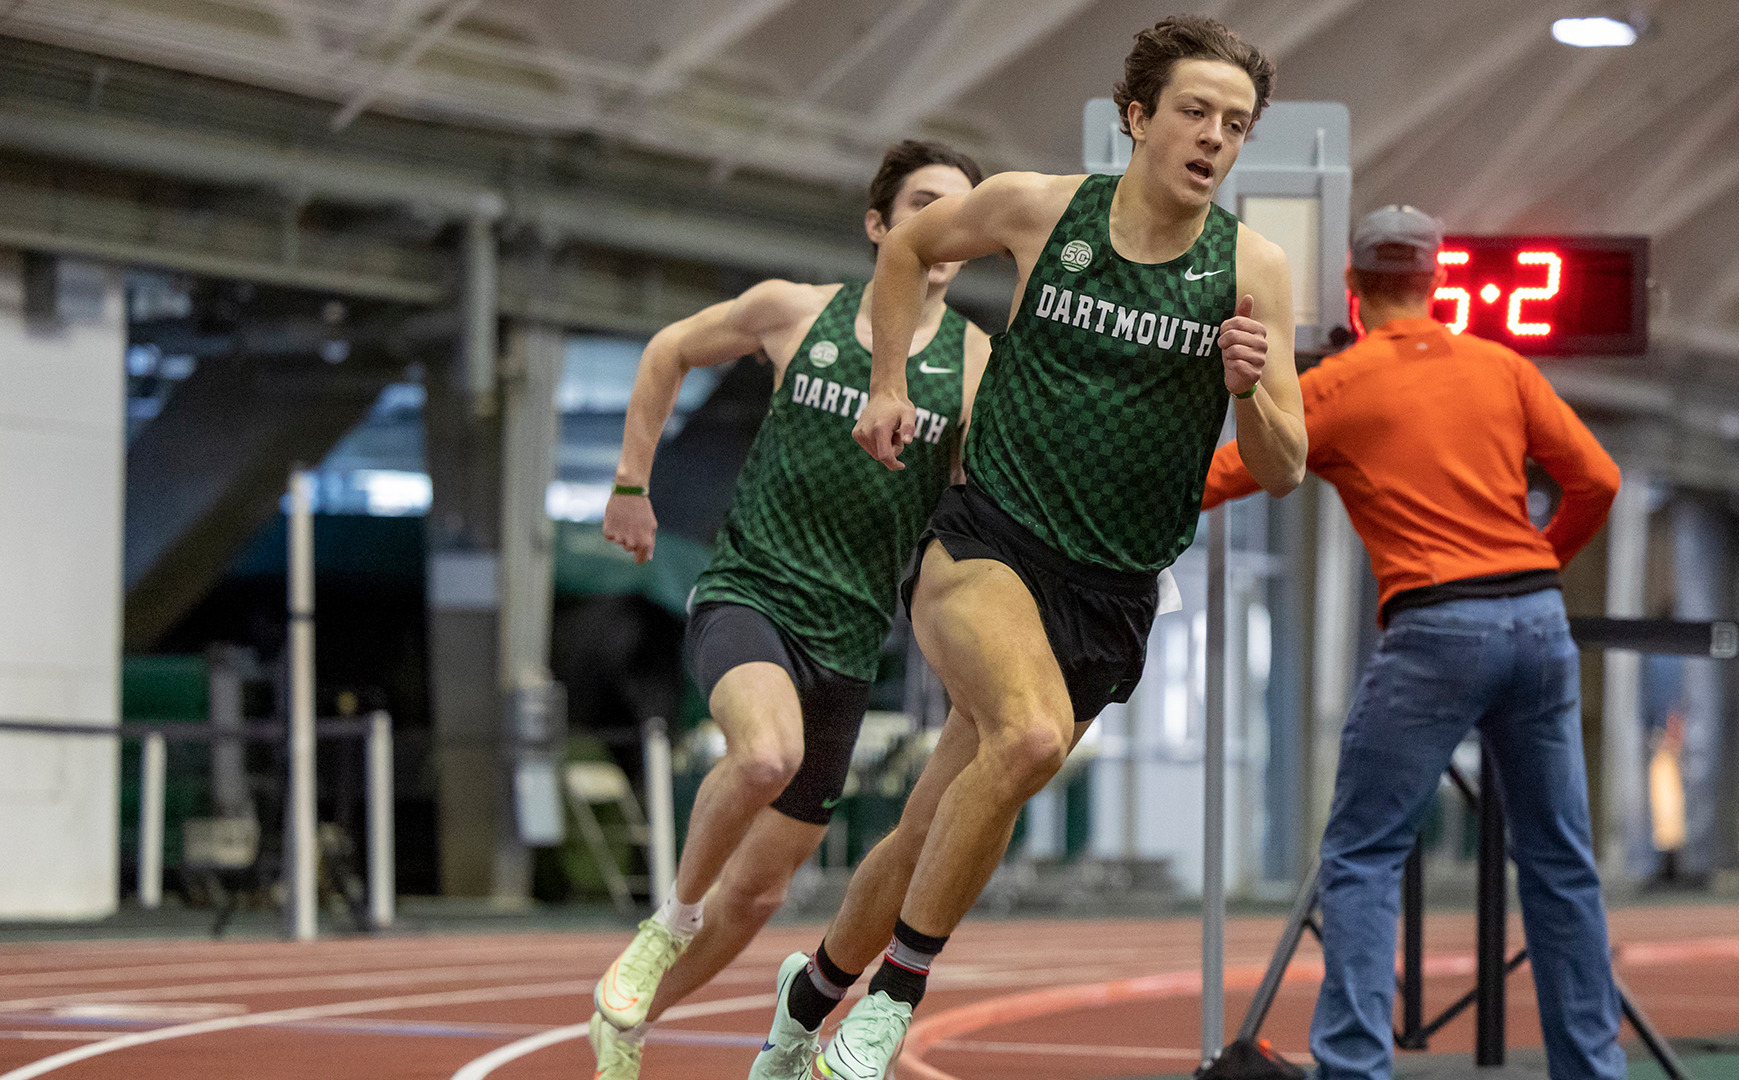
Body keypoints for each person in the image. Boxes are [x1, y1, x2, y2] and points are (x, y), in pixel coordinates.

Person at [746, 16, 1308, 1080]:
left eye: (1235, 125)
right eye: (1194, 111)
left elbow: (1283, 464)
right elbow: (911, 248)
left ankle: (803, 1004)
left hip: (1113, 588)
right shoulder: (1043, 209)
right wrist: (889, 384)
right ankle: (893, 1001)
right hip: (989, 541)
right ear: (1136, 117)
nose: (1213, 138)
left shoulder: (1254, 268)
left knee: (930, 827)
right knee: (1031, 738)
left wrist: (1249, 391)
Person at [588, 140, 990, 1080]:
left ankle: (630, 1019)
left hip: (852, 643)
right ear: (879, 225)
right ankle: (664, 925)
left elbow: (984, 507)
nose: (941, 226)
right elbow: (668, 350)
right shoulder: (794, 313)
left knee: (763, 895)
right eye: (923, 203)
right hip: (752, 595)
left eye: (959, 214)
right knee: (764, 754)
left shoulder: (975, 368)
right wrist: (629, 484)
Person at [1203, 205, 1627, 1079]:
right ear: (1436, 284)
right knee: (1560, 865)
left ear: (1353, 288)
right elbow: (1598, 478)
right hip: (1538, 623)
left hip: (1436, 629)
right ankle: (1592, 1070)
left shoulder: (1336, 386)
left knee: (1363, 856)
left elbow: (1223, 476)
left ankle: (1356, 1070)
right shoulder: (1502, 366)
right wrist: (1538, 562)